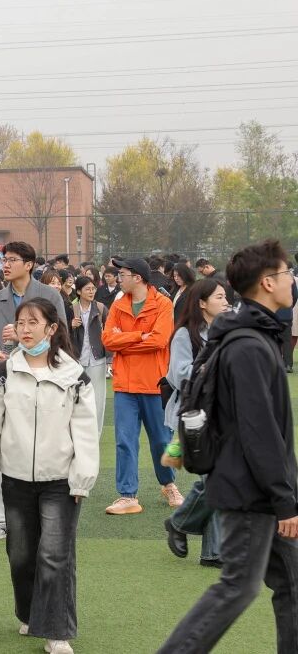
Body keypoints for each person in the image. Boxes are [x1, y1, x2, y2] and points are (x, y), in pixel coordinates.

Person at [157, 240, 298, 653]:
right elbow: (259, 431)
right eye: (287, 273)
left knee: (290, 583)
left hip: (254, 486)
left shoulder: (248, 336)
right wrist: (284, 499)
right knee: (238, 585)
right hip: (250, 490)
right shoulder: (248, 345)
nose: (291, 281)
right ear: (267, 282)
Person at [0, 298, 99, 654]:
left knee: (56, 555)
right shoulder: (5, 371)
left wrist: (82, 477)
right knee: (21, 553)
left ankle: (57, 631)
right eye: (20, 323)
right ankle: (29, 613)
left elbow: (86, 431)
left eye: (33, 323)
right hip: (15, 478)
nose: (25, 330)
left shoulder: (74, 375)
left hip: (60, 480)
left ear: (51, 328)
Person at [0, 242, 68, 541]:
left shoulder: (50, 296)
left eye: (12, 259)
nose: (5, 264)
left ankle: (39, 512)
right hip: (6, 379)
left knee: (38, 444)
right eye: (4, 259)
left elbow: (62, 336)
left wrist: (24, 337)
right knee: (0, 446)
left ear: (29, 264)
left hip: (43, 379)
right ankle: (2, 519)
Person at [161, 277, 232, 570]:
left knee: (218, 476)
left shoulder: (229, 330)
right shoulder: (184, 334)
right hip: (194, 415)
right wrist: (216, 367)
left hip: (224, 412)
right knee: (215, 476)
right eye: (219, 297)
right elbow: (178, 375)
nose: (226, 302)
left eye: (226, 296)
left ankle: (209, 548)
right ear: (202, 303)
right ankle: (181, 525)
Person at [101, 257, 181, 515]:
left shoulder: (163, 304)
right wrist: (138, 336)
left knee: (162, 440)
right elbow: (107, 341)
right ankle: (127, 495)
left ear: (138, 278)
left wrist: (123, 341)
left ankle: (168, 484)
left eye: (122, 274)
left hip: (154, 384)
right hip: (124, 385)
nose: (118, 278)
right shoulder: (118, 304)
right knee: (125, 441)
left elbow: (159, 340)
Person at [70, 275, 109, 429]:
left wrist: (110, 358)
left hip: (97, 358)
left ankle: (96, 434)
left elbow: (110, 331)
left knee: (98, 400)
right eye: (88, 289)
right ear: (79, 291)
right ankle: (78, 433)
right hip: (76, 359)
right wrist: (71, 325)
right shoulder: (71, 309)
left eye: (93, 288)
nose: (91, 292)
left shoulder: (100, 308)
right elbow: (61, 333)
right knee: (75, 397)